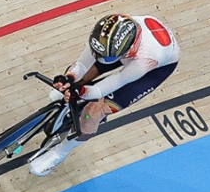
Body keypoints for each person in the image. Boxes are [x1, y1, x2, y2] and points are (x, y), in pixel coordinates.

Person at [28, 12, 180, 176]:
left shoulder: (146, 60)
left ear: (128, 50)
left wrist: (81, 91)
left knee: (93, 112)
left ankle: (60, 153)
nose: (99, 57)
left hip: (154, 70)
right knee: (83, 77)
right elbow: (82, 64)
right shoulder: (106, 35)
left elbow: (109, 85)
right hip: (120, 51)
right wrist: (69, 79)